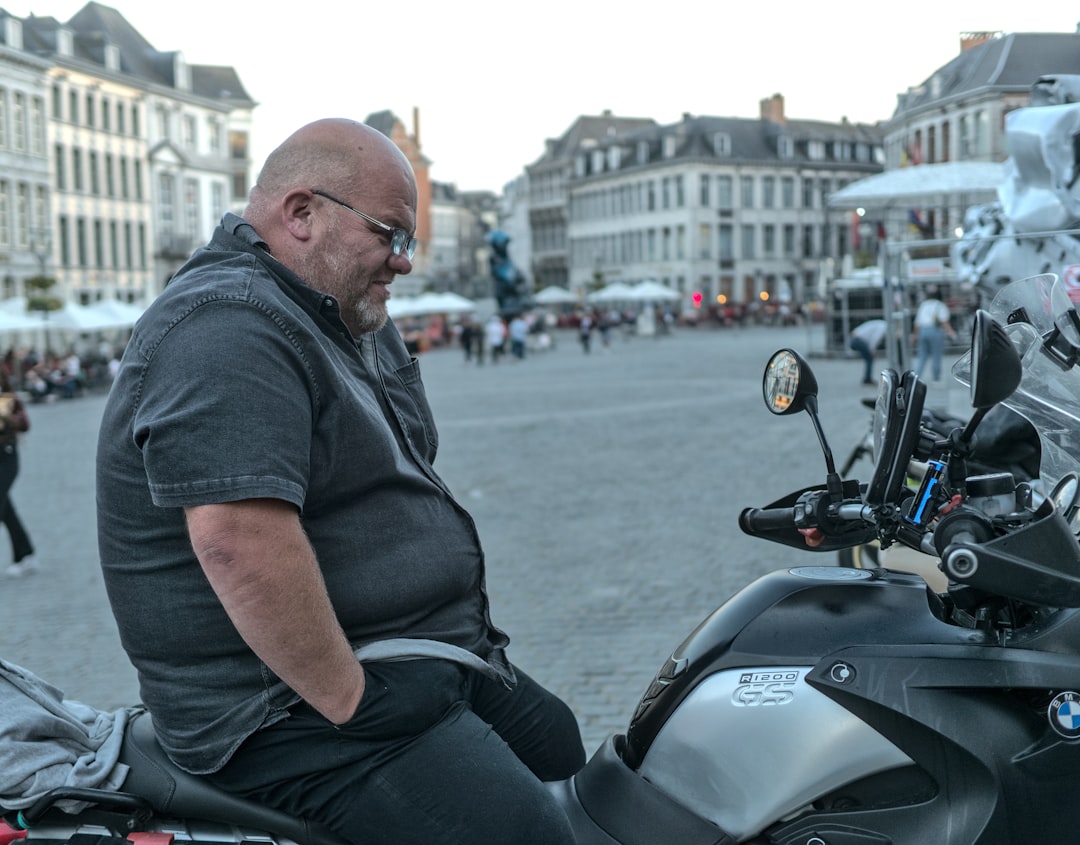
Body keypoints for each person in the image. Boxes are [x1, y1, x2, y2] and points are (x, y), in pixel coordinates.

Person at [95, 118, 584, 845]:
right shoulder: (225, 323)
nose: (403, 261)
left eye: (407, 240)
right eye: (389, 234)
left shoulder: (342, 308)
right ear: (301, 214)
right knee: (526, 833)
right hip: (278, 709)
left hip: (409, 653)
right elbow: (239, 541)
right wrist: (350, 703)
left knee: (563, 752)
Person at [0, 372, 34, 578]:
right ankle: (25, 554)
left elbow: (25, 426)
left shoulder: (10, 399)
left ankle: (24, 556)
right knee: (6, 512)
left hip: (7, 456)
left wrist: (6, 418)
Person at [912, 285, 956, 381]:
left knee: (922, 355)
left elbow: (917, 323)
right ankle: (936, 377)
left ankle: (916, 376)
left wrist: (915, 335)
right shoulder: (940, 305)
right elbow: (944, 321)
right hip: (935, 331)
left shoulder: (923, 305)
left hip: (923, 331)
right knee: (936, 355)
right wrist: (952, 333)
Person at [849, 318, 888, 385]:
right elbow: (875, 338)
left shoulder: (880, 323)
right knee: (870, 358)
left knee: (868, 359)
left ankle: (867, 378)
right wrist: (872, 350)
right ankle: (867, 379)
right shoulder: (883, 326)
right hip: (858, 339)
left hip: (855, 338)